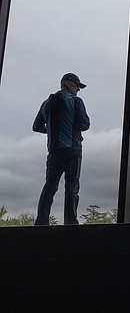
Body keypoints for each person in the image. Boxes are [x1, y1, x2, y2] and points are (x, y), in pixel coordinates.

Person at [33, 73, 90, 225]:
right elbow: (85, 125)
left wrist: (51, 130)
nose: (78, 90)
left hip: (53, 152)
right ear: (67, 84)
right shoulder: (76, 101)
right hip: (73, 151)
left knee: (49, 186)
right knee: (71, 187)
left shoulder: (46, 103)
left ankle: (41, 223)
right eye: (77, 86)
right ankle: (70, 224)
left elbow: (36, 127)